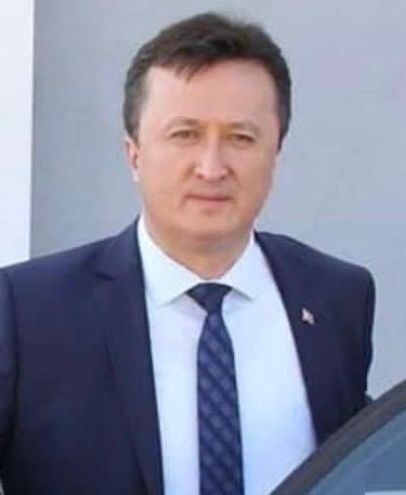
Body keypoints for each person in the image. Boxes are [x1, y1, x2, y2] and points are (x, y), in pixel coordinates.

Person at [0, 11, 375, 495]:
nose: (212, 168)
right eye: (185, 135)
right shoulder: (27, 311)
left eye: (241, 138)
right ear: (134, 153)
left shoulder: (335, 298)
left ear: (276, 152)